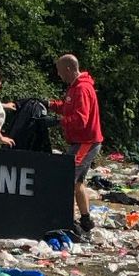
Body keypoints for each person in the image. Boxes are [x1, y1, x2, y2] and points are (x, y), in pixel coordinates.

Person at [46, 54, 103, 232]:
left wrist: (57, 121)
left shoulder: (82, 89)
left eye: (60, 71)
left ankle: (64, 220)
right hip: (79, 141)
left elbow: (81, 119)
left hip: (86, 141)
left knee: (65, 178)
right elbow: (68, 106)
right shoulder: (74, 88)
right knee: (77, 182)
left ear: (69, 69)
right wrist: (49, 104)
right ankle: (86, 219)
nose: (59, 75)